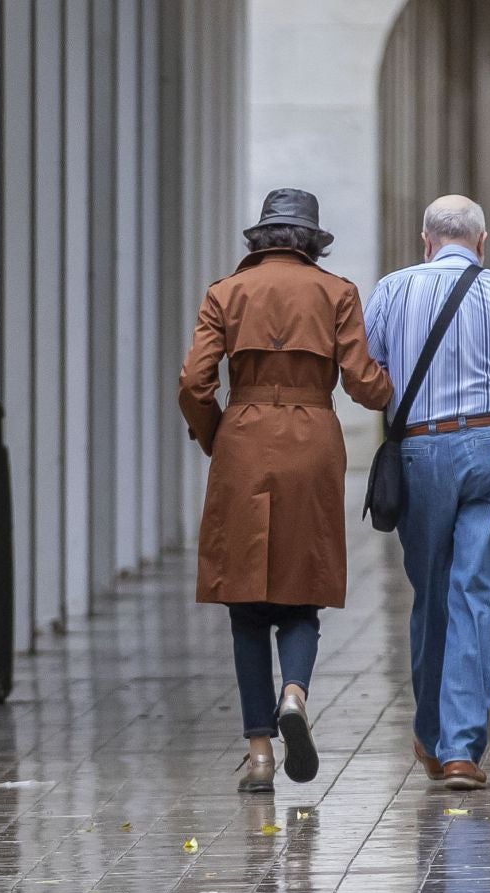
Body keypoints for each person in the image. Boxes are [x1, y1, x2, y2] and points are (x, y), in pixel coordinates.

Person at [178, 188, 393, 793]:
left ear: (260, 240)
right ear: (311, 244)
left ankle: (259, 757)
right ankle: (294, 693)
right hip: (312, 441)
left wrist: (216, 434)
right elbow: (362, 382)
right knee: (303, 593)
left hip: (244, 441)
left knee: (245, 604)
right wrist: (390, 390)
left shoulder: (225, 293)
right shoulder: (337, 293)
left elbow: (194, 381)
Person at [363, 195, 490, 792]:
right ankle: (459, 747)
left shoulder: (392, 290)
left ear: (425, 241)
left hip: (422, 453)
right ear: (481, 243)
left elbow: (367, 373)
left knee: (432, 591)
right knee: (476, 593)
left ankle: (433, 736)